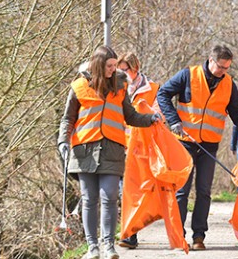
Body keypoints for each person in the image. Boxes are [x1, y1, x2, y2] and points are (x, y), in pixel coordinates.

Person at [58, 47, 161, 259]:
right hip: (84, 150)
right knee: (89, 199)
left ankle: (109, 246)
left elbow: (130, 116)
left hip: (112, 149)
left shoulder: (121, 86)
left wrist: (150, 119)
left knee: (110, 197)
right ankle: (92, 247)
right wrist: (63, 141)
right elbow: (68, 118)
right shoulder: (78, 87)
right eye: (110, 66)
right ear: (98, 65)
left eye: (115, 66)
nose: (114, 70)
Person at [157, 44, 238, 250]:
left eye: (227, 68)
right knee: (182, 192)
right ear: (211, 61)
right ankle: (178, 236)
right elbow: (163, 94)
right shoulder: (188, 75)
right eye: (221, 67)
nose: (223, 72)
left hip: (209, 145)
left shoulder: (229, 84)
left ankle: (199, 237)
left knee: (204, 191)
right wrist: (173, 119)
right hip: (184, 143)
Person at [116, 52, 159, 250]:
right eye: (119, 70)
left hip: (141, 147)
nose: (121, 73)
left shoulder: (152, 89)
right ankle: (128, 232)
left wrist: (149, 112)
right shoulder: (116, 88)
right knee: (121, 190)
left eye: (124, 70)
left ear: (134, 68)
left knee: (135, 191)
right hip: (119, 144)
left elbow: (158, 115)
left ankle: (130, 233)